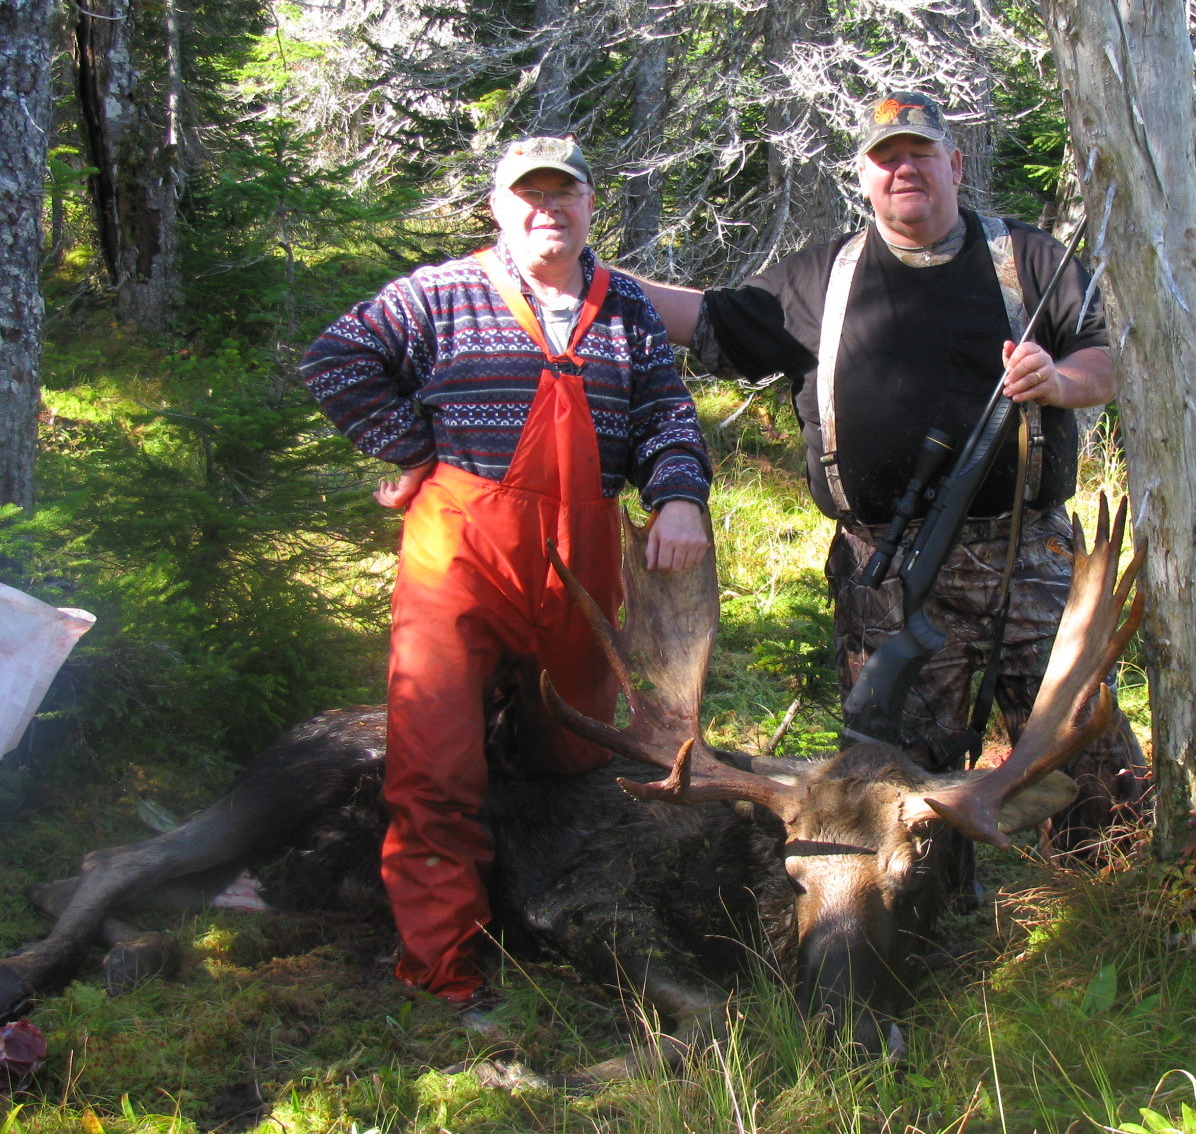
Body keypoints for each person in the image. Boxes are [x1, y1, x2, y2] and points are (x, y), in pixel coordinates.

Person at [300, 135, 712, 1012]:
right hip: (463, 551)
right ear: (498, 206)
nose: (546, 210)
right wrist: (414, 448)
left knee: (572, 756)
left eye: (564, 193)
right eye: (528, 195)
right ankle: (446, 970)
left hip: (584, 564)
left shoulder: (628, 307)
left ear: (591, 205)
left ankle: (548, 922)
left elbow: (667, 414)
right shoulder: (439, 294)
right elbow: (335, 360)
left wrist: (679, 497)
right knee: (435, 762)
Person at [640, 91, 1134, 810]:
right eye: (885, 158)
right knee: (884, 799)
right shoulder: (820, 278)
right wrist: (585, 277)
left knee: (1094, 772)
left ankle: (1107, 905)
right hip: (887, 568)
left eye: (920, 153)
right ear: (864, 178)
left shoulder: (1028, 259)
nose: (903, 168)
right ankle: (921, 916)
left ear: (956, 165)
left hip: (1027, 561)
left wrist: (1058, 381)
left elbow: (1109, 355)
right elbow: (708, 319)